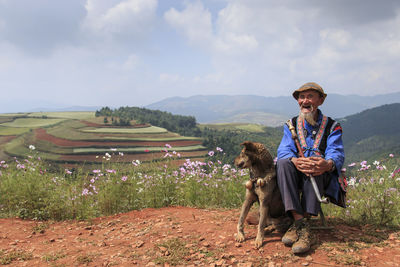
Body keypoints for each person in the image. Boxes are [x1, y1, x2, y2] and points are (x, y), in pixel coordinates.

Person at [276, 82, 344, 254]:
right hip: (296, 173)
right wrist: (295, 161)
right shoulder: (290, 124)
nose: (305, 101)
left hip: (321, 174)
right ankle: (301, 223)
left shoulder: (332, 126)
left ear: (320, 101)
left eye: (310, 96)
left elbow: (336, 152)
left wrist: (326, 164)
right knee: (283, 162)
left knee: (315, 163)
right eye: (301, 97)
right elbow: (284, 149)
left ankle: (300, 225)